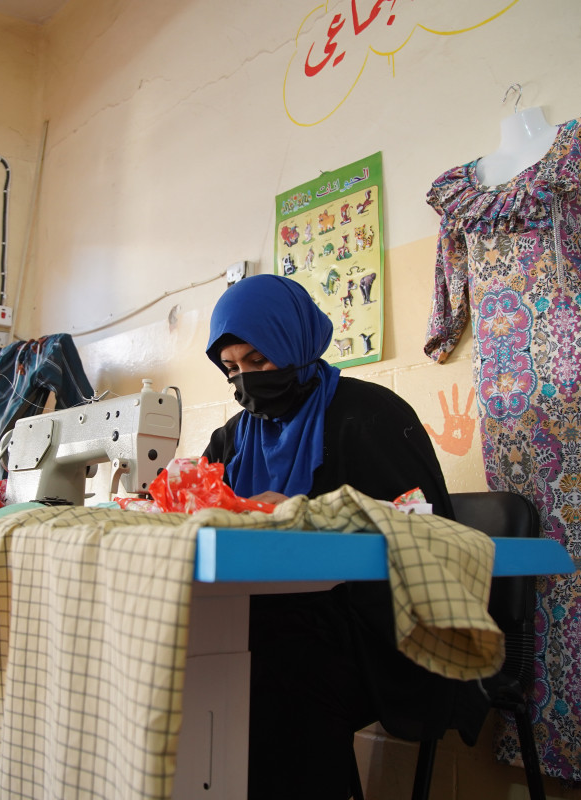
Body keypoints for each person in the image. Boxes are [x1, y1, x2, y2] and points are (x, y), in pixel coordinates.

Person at [201, 274, 488, 800]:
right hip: (274, 618)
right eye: (232, 370)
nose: (246, 381)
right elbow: (197, 507)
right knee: (194, 662)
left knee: (271, 683)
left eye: (258, 362)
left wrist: (301, 514)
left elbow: (422, 533)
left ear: (295, 341)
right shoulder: (235, 437)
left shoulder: (368, 416)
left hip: (373, 624)